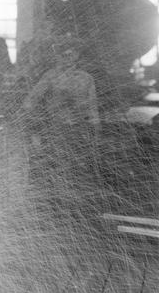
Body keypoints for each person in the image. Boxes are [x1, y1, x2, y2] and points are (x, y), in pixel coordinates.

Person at [21, 36, 101, 219]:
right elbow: (30, 101)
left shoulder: (86, 79)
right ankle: (59, 211)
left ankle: (77, 211)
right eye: (63, 54)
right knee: (59, 169)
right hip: (57, 131)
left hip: (80, 132)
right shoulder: (51, 76)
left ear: (78, 56)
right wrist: (34, 122)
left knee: (79, 170)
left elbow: (92, 107)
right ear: (58, 56)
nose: (68, 57)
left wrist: (96, 131)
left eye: (72, 53)